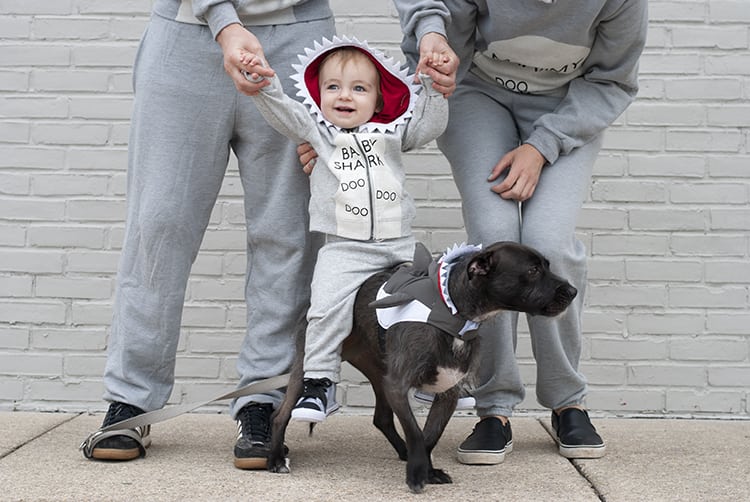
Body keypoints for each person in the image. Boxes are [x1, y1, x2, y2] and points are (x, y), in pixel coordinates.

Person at [391, 0, 648, 464]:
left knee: (550, 247)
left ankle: (568, 400)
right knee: (493, 237)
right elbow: (438, 16)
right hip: (477, 94)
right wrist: (435, 43)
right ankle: (494, 407)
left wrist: (540, 146)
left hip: (569, 104)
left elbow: (612, 79)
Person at [83, 0, 335, 470]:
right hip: (184, 42)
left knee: (287, 235)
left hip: (297, 41)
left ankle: (264, 399)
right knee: (158, 229)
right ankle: (132, 400)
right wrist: (225, 23)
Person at [240, 36, 449, 423]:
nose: (344, 96)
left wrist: (435, 91)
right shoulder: (320, 133)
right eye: (332, 87)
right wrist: (265, 87)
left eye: (358, 88)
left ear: (377, 97)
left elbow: (427, 128)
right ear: (319, 94)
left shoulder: (392, 134)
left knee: (427, 304)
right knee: (324, 308)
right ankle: (318, 385)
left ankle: (428, 375)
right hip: (344, 249)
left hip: (400, 245)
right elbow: (285, 113)